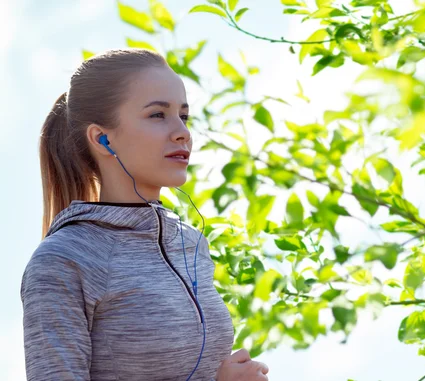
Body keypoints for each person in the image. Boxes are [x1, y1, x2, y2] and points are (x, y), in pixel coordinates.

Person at [20, 48, 269, 381]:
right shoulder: (64, 259)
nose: (182, 132)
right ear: (102, 138)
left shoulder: (191, 244)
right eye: (157, 115)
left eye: (184, 116)